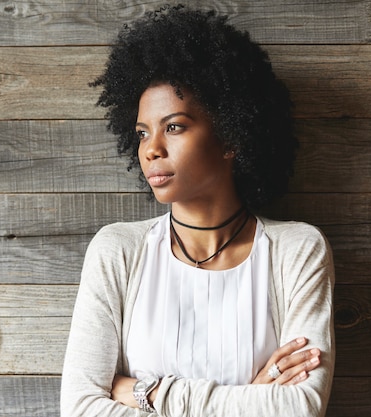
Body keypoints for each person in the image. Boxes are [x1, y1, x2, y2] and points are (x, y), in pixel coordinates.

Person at [61, 4, 335, 416]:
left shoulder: (297, 251)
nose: (150, 149)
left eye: (174, 126)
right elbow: (81, 409)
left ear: (231, 137)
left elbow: (299, 408)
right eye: (141, 133)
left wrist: (147, 393)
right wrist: (252, 396)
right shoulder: (117, 250)